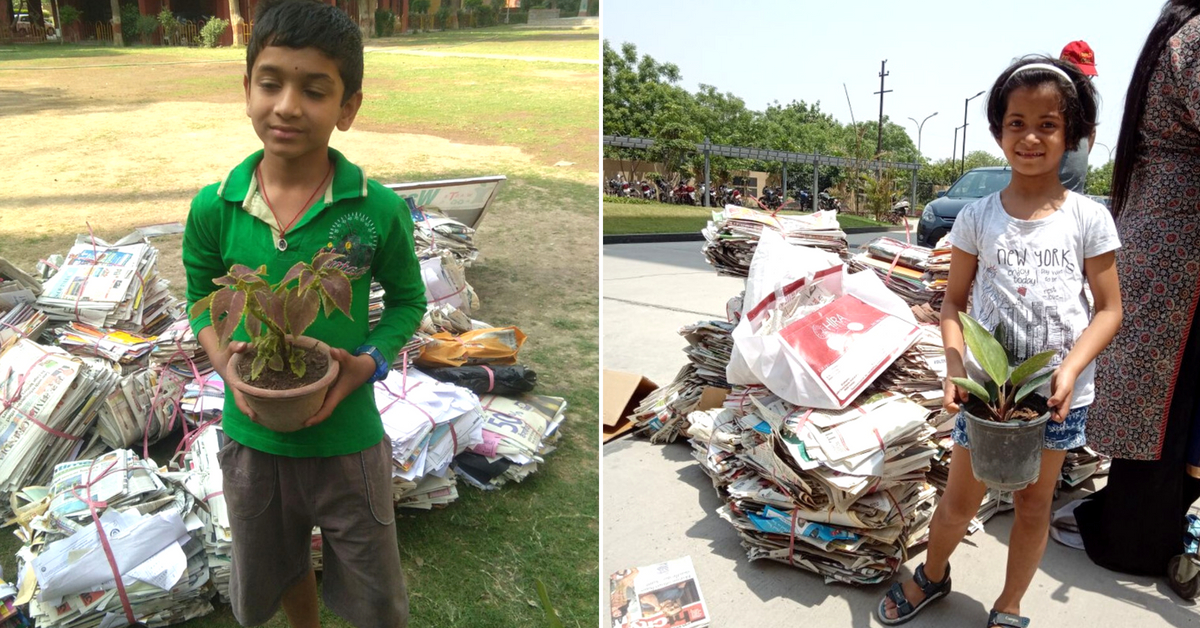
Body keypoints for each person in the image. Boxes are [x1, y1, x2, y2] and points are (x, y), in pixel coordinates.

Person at [181, 0, 426, 626]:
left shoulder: (376, 210)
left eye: (314, 90)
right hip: (253, 436)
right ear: (247, 90)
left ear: (347, 108)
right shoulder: (215, 207)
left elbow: (407, 303)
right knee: (277, 562)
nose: (287, 105)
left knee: (375, 585)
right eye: (271, 83)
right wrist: (221, 362)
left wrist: (365, 364)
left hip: (348, 440)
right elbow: (200, 297)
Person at [876, 56, 1122, 627]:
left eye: (1048, 124)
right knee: (960, 498)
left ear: (1076, 137)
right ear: (997, 132)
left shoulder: (1089, 220)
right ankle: (932, 575)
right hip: (987, 398)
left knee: (1034, 504)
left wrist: (1071, 369)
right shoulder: (977, 218)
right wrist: (955, 367)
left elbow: (1109, 311)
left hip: (1057, 399)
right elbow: (953, 305)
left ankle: (1009, 605)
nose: (1030, 136)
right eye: (1016, 122)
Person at [1075, 0, 1200, 598]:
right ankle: (1142, 540)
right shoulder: (1199, 38)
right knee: (1165, 400)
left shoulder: (1177, 32)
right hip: (1181, 240)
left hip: (1158, 228)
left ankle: (1138, 526)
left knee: (1153, 396)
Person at [1056, 40, 1099, 193]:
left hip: (1073, 196)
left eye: (1087, 75)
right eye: (1076, 75)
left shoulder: (1087, 101)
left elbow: (1091, 132)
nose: (1082, 80)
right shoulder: (1048, 97)